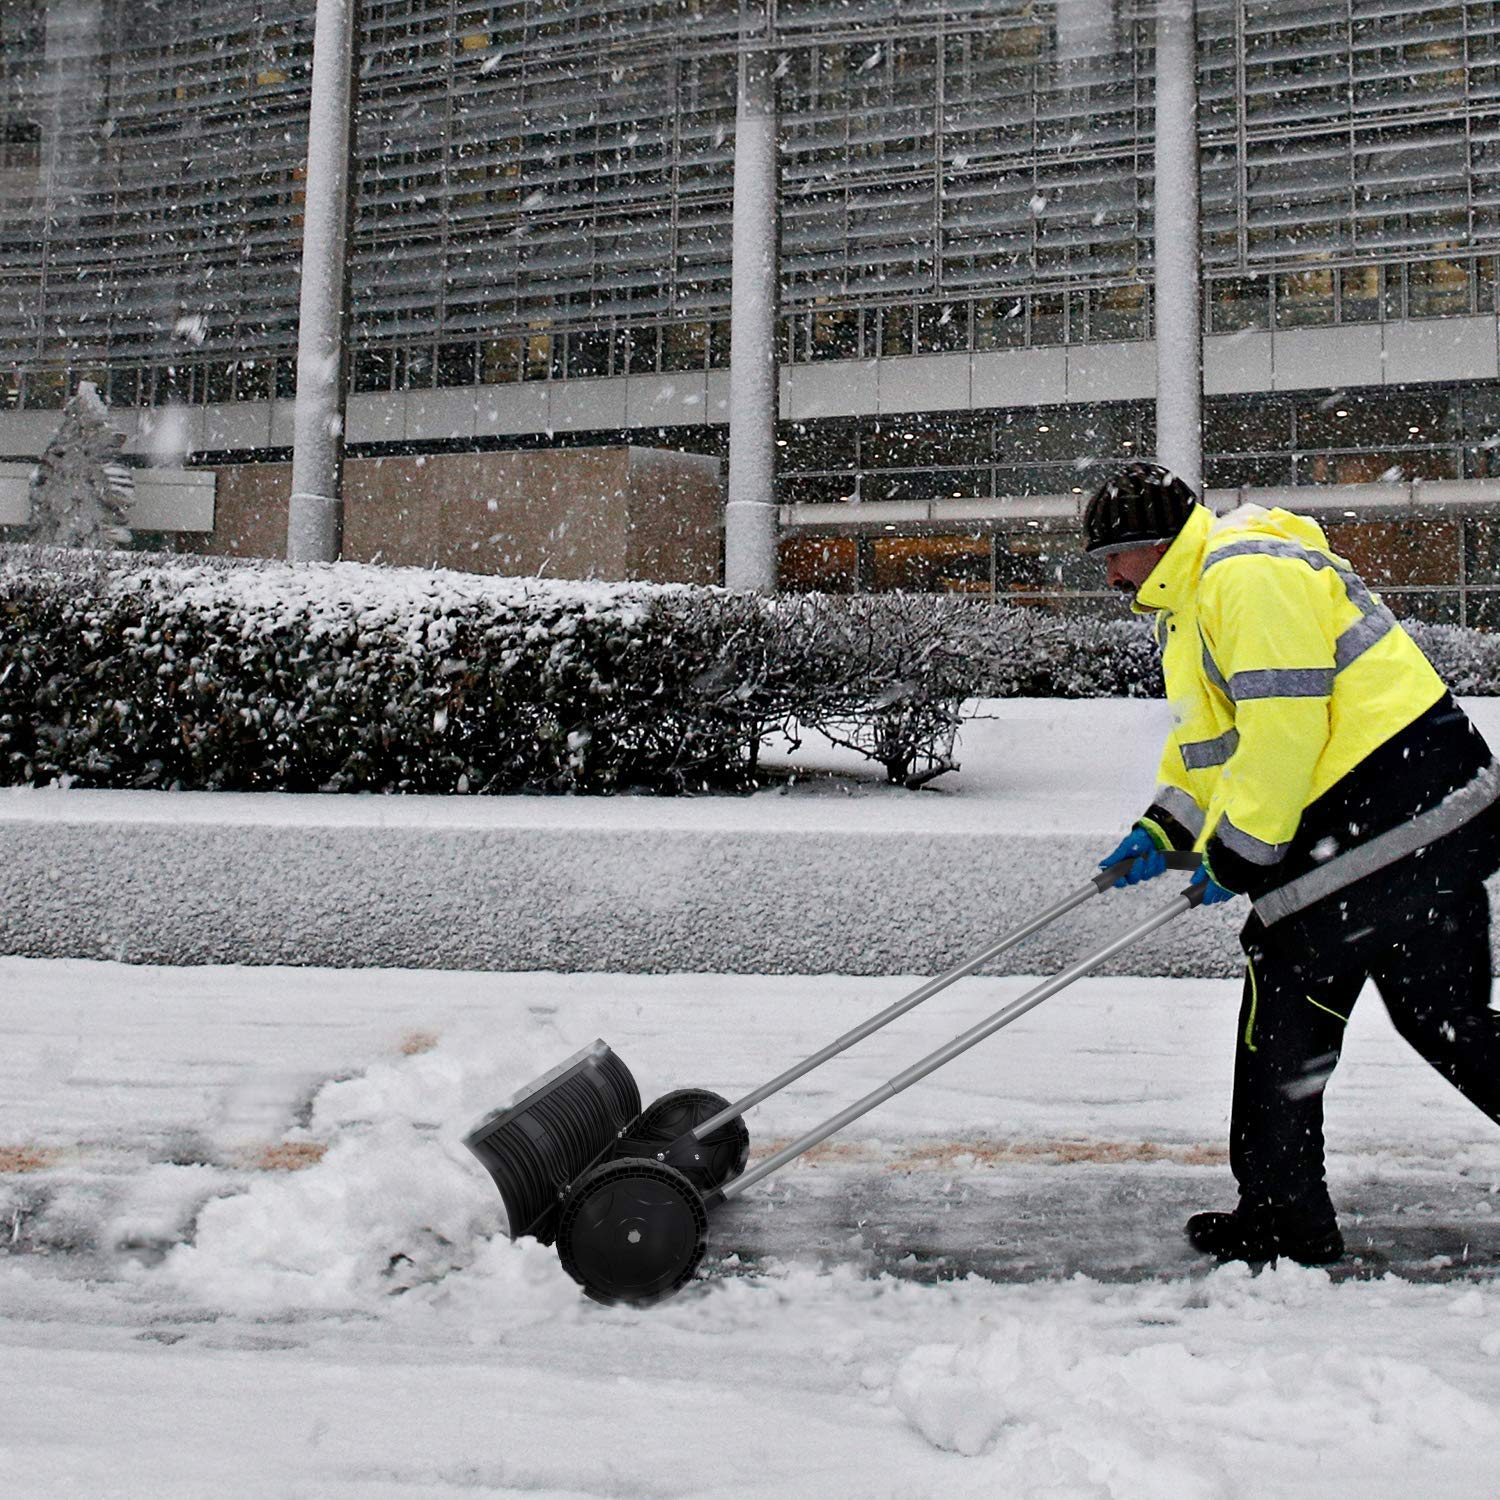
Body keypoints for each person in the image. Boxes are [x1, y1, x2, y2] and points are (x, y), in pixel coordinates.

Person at [1086, 462, 1500, 1266]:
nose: (1107, 573)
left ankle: (1285, 1217)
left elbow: (1283, 728)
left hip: (1398, 802)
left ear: (1153, 544)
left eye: (1114, 553)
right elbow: (1217, 748)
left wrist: (1239, 856)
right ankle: (1283, 1210)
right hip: (1415, 812)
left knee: (1286, 972)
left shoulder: (1244, 574)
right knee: (1442, 1018)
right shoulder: (1193, 604)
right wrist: (1166, 827)